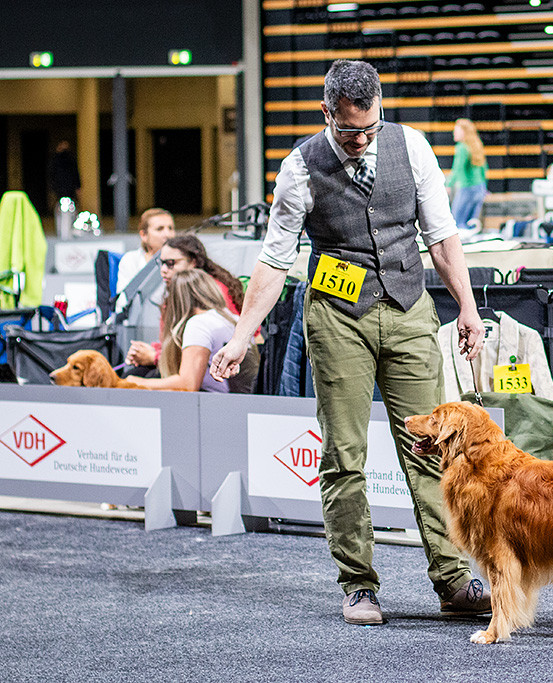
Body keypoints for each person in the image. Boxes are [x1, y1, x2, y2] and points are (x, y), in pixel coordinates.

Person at [209, 59, 488, 626]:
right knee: (344, 455)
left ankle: (454, 579)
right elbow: (273, 260)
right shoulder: (300, 167)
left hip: (410, 308)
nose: (361, 141)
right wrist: (242, 335)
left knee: (435, 448)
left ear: (380, 109)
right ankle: (358, 585)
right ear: (327, 114)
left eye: (369, 128)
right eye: (347, 130)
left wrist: (467, 307)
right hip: (338, 316)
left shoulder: (411, 148)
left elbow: (441, 236)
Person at [125, 234, 246, 370]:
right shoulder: (172, 292)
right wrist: (148, 350)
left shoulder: (214, 291)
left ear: (193, 262)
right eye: (162, 263)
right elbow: (174, 344)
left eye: (171, 263)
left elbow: (205, 351)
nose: (163, 270)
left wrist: (154, 356)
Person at [130, 270, 243, 392]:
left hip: (211, 402)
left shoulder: (198, 324)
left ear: (177, 300)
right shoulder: (231, 319)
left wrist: (135, 382)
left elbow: (188, 384)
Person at [115, 208, 176, 304]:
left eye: (170, 228)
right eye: (159, 229)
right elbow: (123, 302)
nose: (167, 234)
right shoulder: (131, 259)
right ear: (143, 235)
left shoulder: (180, 260)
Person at [446, 118, 488, 234]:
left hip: (467, 188)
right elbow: (484, 169)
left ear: (464, 132)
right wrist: (485, 188)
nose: (454, 133)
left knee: (457, 223)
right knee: (472, 225)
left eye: (456, 130)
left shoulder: (462, 147)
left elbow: (457, 168)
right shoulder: (476, 145)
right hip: (480, 188)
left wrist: (448, 185)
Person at [48, 140, 81, 205]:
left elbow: (75, 173)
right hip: (64, 186)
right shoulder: (57, 159)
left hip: (64, 186)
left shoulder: (68, 159)